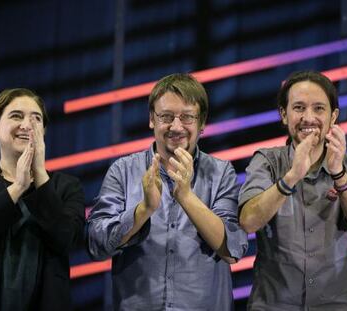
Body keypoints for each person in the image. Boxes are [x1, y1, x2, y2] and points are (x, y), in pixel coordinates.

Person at [87, 73, 248, 311]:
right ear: (152, 119)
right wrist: (143, 210)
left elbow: (233, 250)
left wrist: (185, 196)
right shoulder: (122, 171)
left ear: (202, 123)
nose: (176, 126)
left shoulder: (221, 172)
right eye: (166, 116)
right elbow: (96, 245)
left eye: (187, 117)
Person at [239, 70, 347, 311]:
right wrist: (291, 177)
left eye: (319, 109)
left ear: (334, 117)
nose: (308, 118)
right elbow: (248, 221)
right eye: (298, 108)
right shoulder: (266, 161)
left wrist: (338, 173)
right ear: (283, 114)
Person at [0, 88, 85, 311]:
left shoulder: (67, 187)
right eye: (17, 116)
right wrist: (17, 188)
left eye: (36, 119)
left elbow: (68, 240)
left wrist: (40, 178)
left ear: (43, 131)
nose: (27, 125)